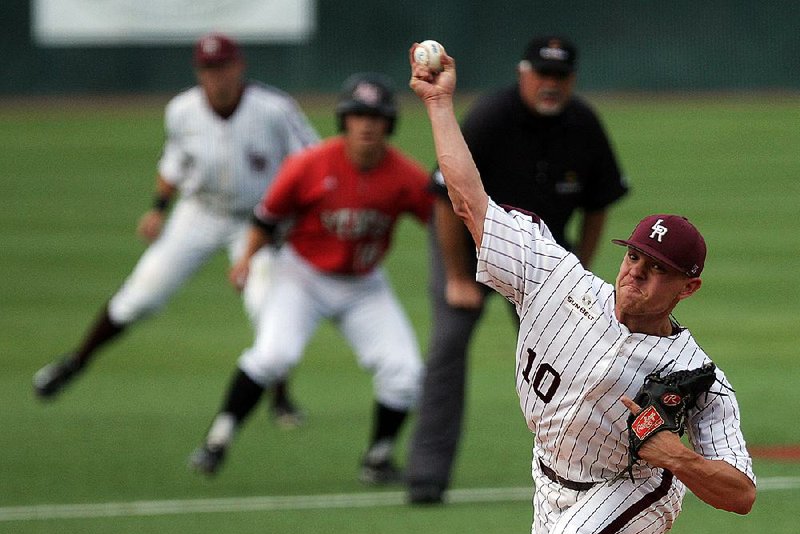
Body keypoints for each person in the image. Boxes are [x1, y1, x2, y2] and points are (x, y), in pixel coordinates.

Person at [409, 45, 755, 534]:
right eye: (634, 257)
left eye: (659, 269)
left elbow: (741, 495)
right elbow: (469, 203)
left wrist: (674, 455)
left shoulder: (696, 376)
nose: (637, 272)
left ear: (688, 288)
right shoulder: (555, 278)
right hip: (549, 476)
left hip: (634, 490)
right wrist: (439, 106)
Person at [32, 32, 319, 426]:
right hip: (198, 212)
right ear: (199, 72)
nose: (216, 76)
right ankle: (75, 362)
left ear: (240, 66)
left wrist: (293, 218)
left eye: (223, 67)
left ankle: (281, 399)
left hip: (256, 221)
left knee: (268, 306)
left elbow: (312, 162)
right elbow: (175, 164)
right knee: (139, 296)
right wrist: (158, 209)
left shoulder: (274, 109)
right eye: (207, 69)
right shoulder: (182, 111)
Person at [407, 36, 629, 503]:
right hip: (467, 249)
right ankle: (426, 476)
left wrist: (580, 269)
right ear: (522, 73)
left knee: (579, 358)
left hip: (544, 260)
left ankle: (587, 469)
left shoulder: (584, 124)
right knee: (448, 348)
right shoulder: (492, 117)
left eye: (560, 77)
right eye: (542, 75)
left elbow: (599, 202)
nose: (550, 85)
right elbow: (446, 201)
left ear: (572, 80)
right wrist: (455, 278)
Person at [188, 72, 434, 484]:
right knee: (273, 356)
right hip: (301, 276)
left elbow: (439, 224)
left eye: (376, 116)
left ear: (389, 124)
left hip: (364, 284)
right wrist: (246, 259)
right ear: (344, 120)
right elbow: (266, 218)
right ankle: (217, 440)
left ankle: (377, 458)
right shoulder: (308, 164)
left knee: (404, 371)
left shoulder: (405, 176)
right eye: (358, 115)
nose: (367, 125)